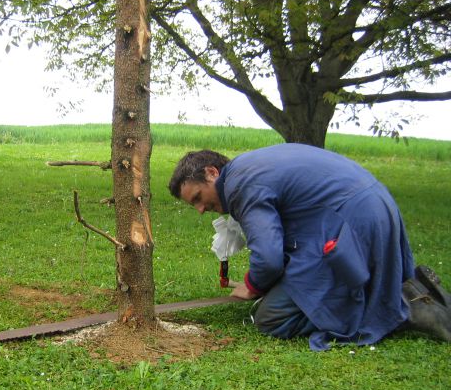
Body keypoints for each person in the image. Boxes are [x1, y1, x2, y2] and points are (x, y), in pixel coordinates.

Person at [169, 144, 451, 350]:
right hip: (376, 205)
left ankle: (401, 307)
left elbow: (269, 258)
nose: (201, 209)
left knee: (270, 318)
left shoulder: (240, 185)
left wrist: (252, 284)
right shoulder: (247, 168)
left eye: (197, 198)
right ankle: (400, 292)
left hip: (350, 221)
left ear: (211, 172)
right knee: (296, 285)